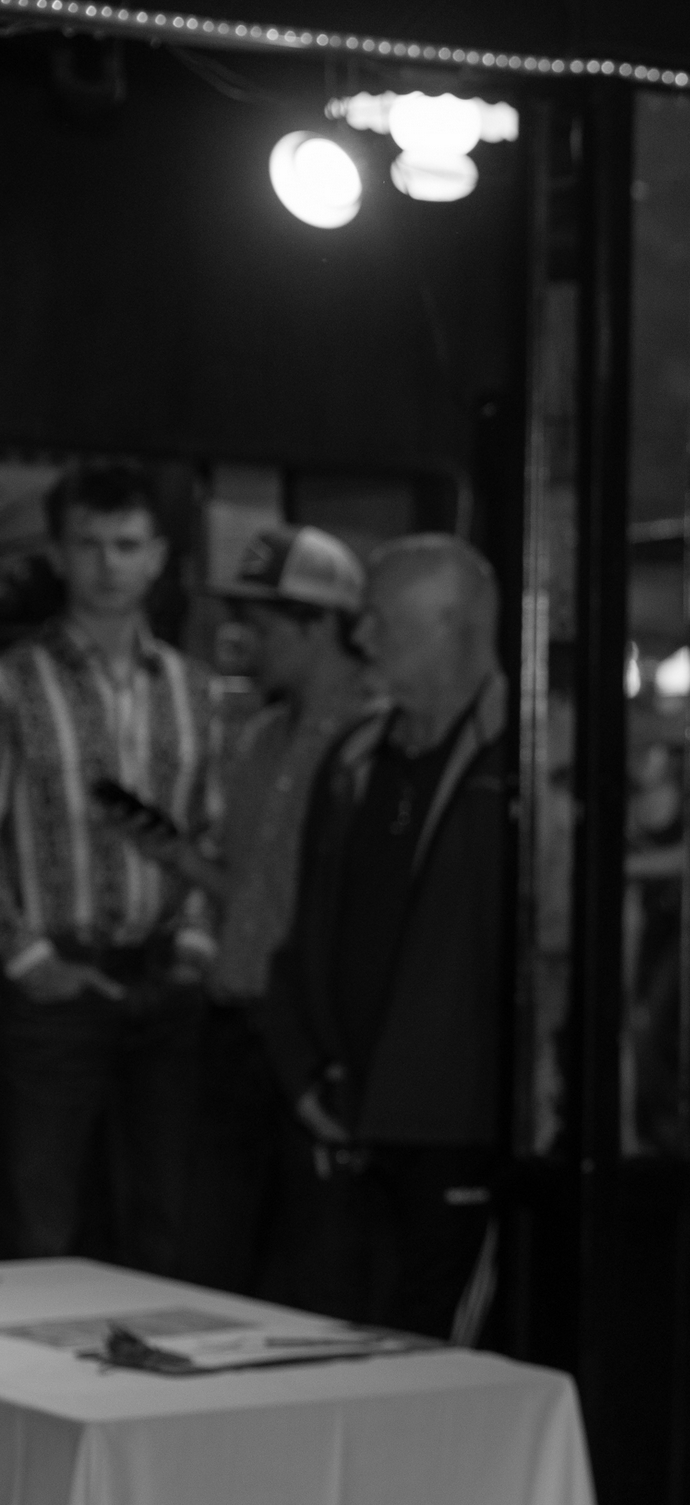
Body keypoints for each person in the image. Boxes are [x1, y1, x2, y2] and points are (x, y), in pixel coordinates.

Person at [263, 536, 509, 1336]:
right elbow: (304, 929)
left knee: (436, 1348)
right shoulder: (356, 756)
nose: (360, 637)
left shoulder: (525, 758)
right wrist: (302, 1069)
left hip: (458, 1127)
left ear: (451, 624)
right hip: (346, 1114)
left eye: (379, 618)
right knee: (333, 1337)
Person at [128, 524, 374, 1297]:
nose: (242, 643)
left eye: (262, 627)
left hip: (312, 1031)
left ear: (320, 625)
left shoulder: (375, 737)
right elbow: (252, 887)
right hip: (236, 1018)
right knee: (213, 1257)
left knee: (314, 1262)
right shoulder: (263, 735)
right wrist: (181, 860)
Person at [0, 462, 220, 1268]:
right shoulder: (15, 683)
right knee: (42, 1223)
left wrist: (194, 946)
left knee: (165, 1220)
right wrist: (27, 958)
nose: (107, 565)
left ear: (158, 557)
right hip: (55, 976)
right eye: (88, 545)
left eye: (127, 545)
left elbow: (211, 830)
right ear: (58, 555)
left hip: (163, 977)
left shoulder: (192, 689)